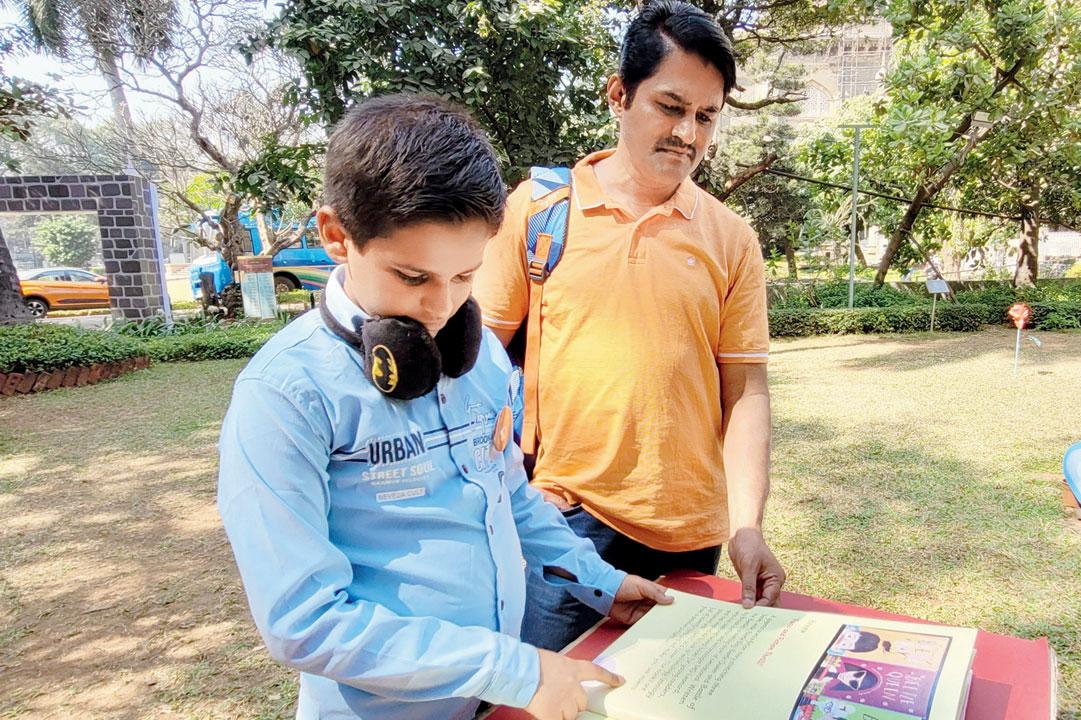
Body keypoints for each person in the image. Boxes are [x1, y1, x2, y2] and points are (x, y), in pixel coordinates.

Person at [217, 93, 671, 720]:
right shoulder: (284, 396)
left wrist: (602, 582)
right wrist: (511, 667)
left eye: (465, 277)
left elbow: (509, 494)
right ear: (335, 236)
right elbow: (303, 620)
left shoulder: (477, 353)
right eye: (413, 277)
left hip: (488, 699)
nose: (442, 309)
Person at [475, 1, 785, 652]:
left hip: (691, 535)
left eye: (706, 116)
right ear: (620, 95)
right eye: (670, 107)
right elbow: (475, 364)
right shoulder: (538, 209)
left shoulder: (731, 240)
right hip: (566, 522)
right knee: (551, 694)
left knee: (667, 694)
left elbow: (746, 392)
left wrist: (747, 526)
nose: (688, 134)